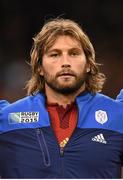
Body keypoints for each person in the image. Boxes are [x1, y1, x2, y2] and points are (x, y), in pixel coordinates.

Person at [0, 18, 123, 179]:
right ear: (39, 67)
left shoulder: (118, 115)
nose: (65, 63)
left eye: (74, 53)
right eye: (55, 54)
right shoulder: (6, 120)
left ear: (88, 64)